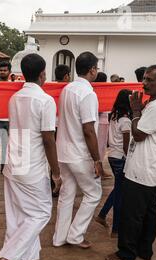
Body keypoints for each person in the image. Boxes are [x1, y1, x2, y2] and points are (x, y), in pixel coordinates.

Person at [0, 54, 61, 260]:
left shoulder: (15, 98)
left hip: (14, 161)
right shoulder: (45, 100)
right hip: (32, 164)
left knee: (17, 213)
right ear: (43, 73)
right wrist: (56, 172)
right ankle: (12, 255)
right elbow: (48, 138)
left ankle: (24, 256)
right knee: (42, 211)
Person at [106, 65, 156, 260]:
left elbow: (138, 134)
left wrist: (135, 110)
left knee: (132, 215)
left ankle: (126, 254)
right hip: (152, 169)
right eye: (144, 79)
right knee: (148, 215)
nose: (144, 83)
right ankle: (144, 250)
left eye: (149, 80)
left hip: (142, 170)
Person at [53, 52, 103, 249]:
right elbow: (89, 130)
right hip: (79, 153)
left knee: (67, 193)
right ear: (92, 70)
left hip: (64, 151)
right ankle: (75, 235)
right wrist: (97, 160)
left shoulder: (67, 89)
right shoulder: (87, 93)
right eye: (96, 68)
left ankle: (60, 237)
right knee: (93, 193)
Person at [95, 89, 132, 237]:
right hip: (121, 158)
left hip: (112, 157)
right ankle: (116, 229)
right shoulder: (125, 120)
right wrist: (130, 158)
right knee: (120, 194)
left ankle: (102, 215)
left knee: (118, 189)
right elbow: (126, 145)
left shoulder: (114, 116)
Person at [95, 72, 113, 179]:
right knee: (100, 147)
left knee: (100, 147)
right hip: (101, 121)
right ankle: (98, 169)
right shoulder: (100, 91)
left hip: (101, 120)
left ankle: (99, 168)